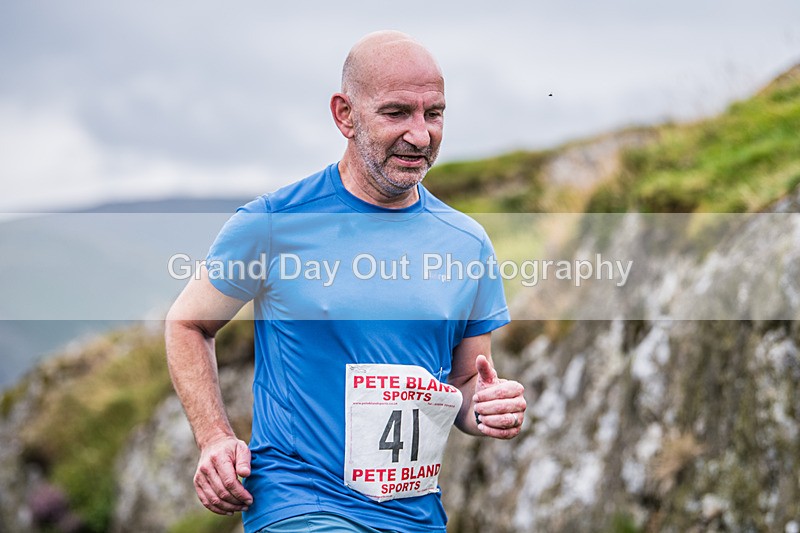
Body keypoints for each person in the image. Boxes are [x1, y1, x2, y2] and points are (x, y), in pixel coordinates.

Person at [165, 30, 527, 533]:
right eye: (397, 113)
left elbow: (465, 385)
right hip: (299, 502)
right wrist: (214, 437)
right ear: (344, 115)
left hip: (416, 516)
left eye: (434, 113)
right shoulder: (274, 223)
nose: (421, 135)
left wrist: (488, 406)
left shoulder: (466, 243)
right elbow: (187, 323)